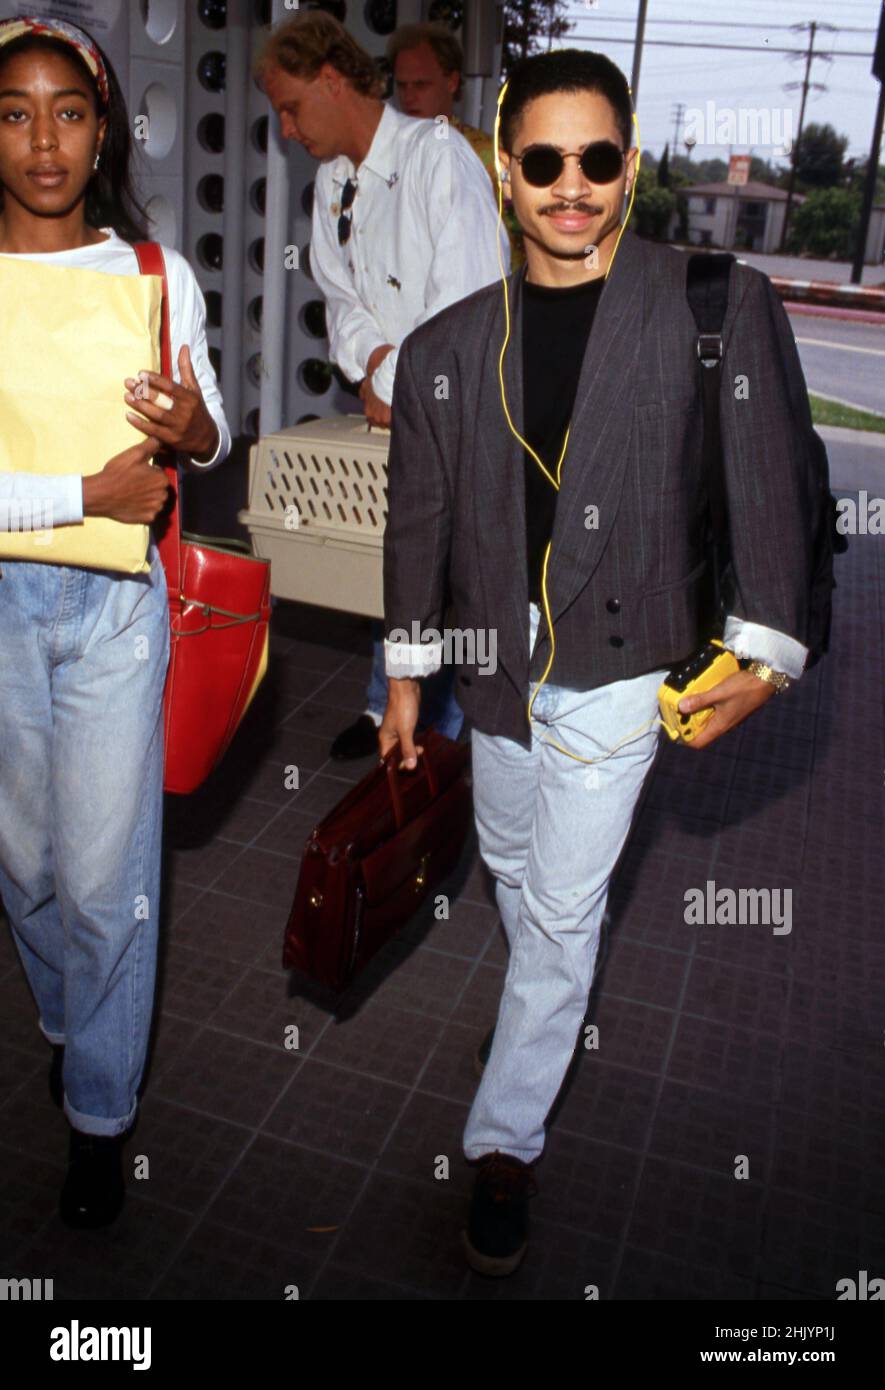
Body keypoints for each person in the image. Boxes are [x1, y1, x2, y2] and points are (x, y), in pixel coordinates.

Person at [380, 49, 827, 1276]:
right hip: (492, 672)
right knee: (517, 872)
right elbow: (416, 523)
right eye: (542, 161)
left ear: (627, 169)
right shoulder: (443, 347)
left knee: (566, 908)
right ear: (503, 171)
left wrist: (767, 653)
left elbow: (775, 485)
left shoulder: (707, 303)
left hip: (629, 666)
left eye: (595, 160)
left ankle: (503, 1145)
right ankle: (544, 1010)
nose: (569, 186)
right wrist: (408, 681)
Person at [0, 16, 230, 1229]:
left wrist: (194, 430)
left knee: (103, 879)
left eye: (69, 112)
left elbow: (214, 431)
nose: (44, 139)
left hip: (114, 610)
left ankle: (99, 1112)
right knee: (25, 870)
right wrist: (84, 493)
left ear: (102, 131)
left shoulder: (153, 274)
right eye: (15, 112)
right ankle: (66, 1016)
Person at [256, 10, 509, 761]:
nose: (287, 129)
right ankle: (386, 711)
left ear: (333, 80)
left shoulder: (438, 158)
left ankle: (449, 744)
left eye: (291, 106)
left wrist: (393, 380)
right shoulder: (330, 183)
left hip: (460, 417)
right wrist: (373, 368)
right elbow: (342, 307)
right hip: (390, 406)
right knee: (394, 563)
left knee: (455, 583)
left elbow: (467, 304)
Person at [387, 20, 525, 269]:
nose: (408, 97)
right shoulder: (386, 153)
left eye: (420, 85)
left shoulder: (487, 156)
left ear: (451, 82)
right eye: (401, 85)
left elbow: (516, 246)